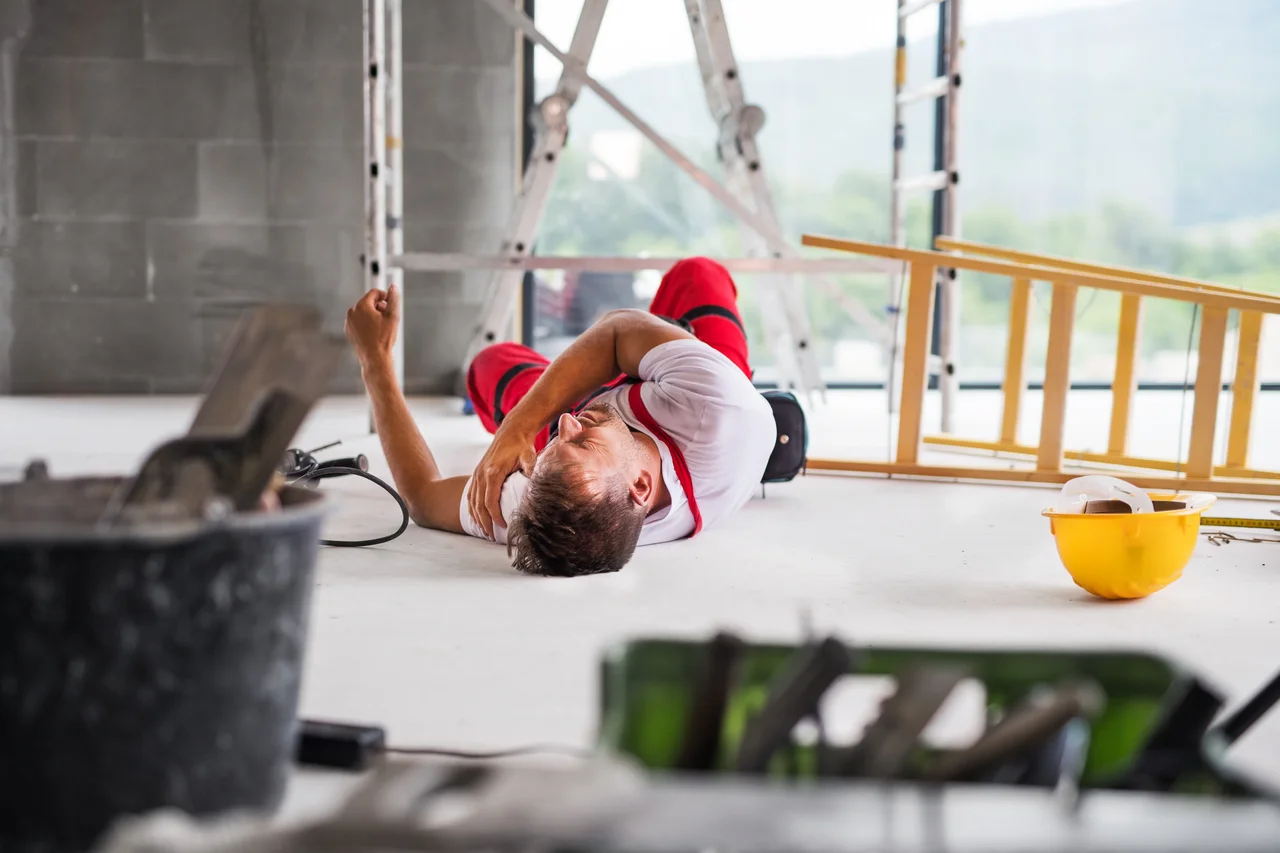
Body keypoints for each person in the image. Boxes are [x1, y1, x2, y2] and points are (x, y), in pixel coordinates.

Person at [345, 257, 776, 576]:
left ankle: (643, 350)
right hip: (697, 394)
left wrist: (374, 359)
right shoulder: (718, 405)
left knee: (488, 365)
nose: (568, 424)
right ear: (640, 486)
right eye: (581, 444)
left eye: (555, 448)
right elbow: (617, 328)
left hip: (620, 412)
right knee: (698, 273)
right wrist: (523, 425)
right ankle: (665, 340)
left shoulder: (543, 502)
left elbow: (423, 498)